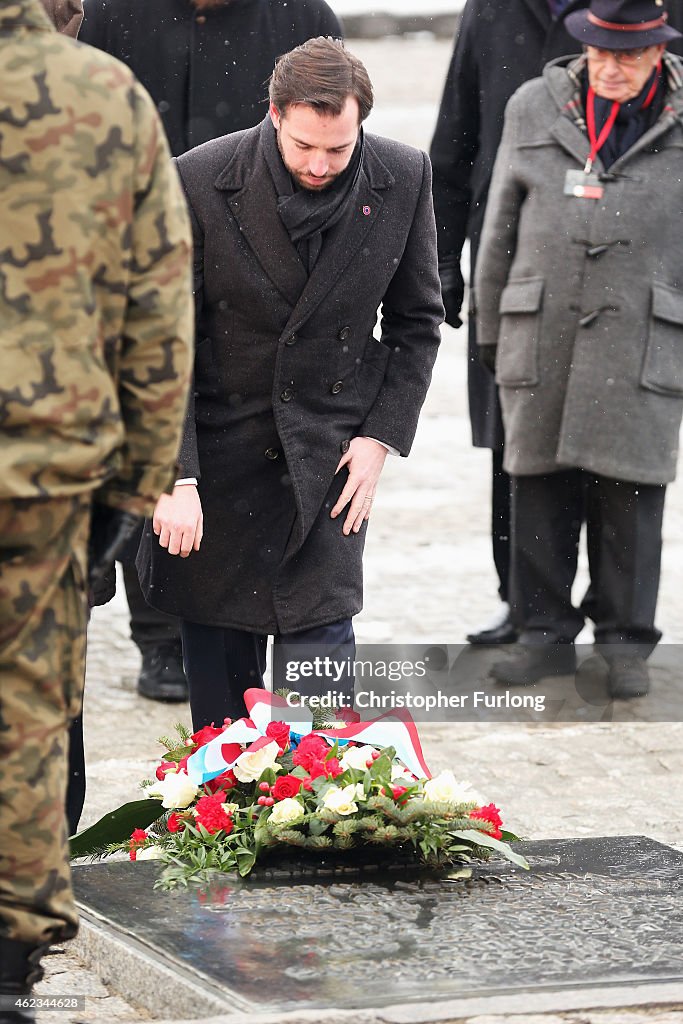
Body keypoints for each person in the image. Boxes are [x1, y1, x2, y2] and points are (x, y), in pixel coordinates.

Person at [137, 36, 444, 729]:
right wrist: (173, 477)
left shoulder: (403, 175)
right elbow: (161, 341)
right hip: (215, 464)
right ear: (274, 115)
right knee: (224, 720)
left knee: (322, 705)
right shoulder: (197, 178)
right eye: (305, 145)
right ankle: (225, 825)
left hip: (327, 459)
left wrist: (378, 437)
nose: (320, 164)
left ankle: (320, 829)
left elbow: (417, 321)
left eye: (338, 149)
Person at [0, 0, 193, 1018]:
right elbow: (158, 302)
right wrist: (141, 480)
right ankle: (8, 965)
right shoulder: (106, 91)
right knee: (30, 713)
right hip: (43, 470)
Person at [79, 0, 343, 703]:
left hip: (254, 259)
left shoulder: (301, 14)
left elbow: (333, 123)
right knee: (154, 437)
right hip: (129, 242)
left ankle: (255, 626)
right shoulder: (113, 14)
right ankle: (159, 634)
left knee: (247, 447)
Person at [429, 0, 683, 646]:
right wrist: (440, 262)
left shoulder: (654, 9)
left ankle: (616, 616)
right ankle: (525, 607)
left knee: (622, 465)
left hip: (635, 286)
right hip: (519, 271)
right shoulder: (489, 9)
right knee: (514, 449)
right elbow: (453, 139)